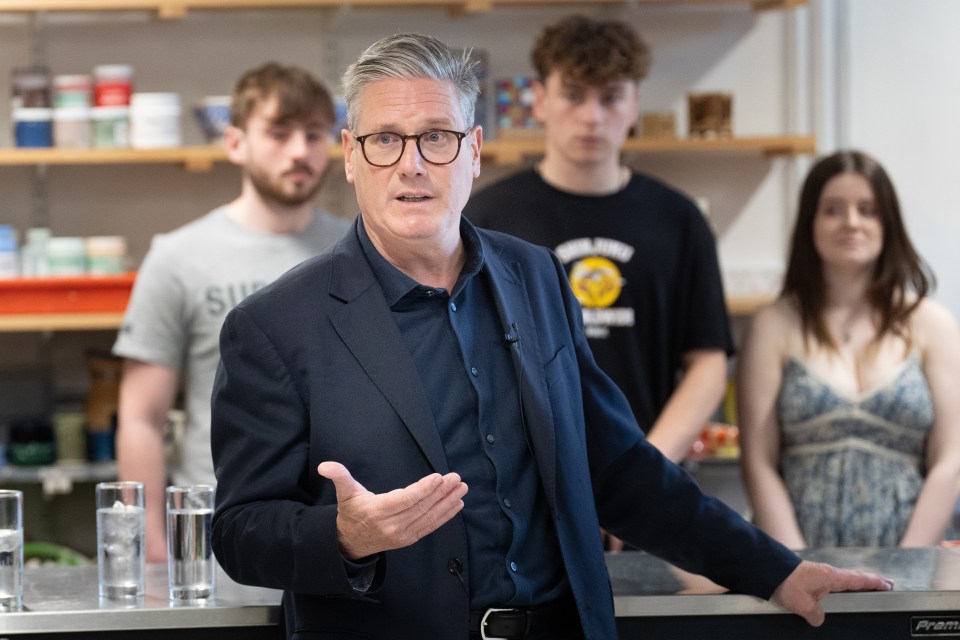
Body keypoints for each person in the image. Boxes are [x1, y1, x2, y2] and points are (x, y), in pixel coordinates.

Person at [210, 34, 891, 640]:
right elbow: (240, 533)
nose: (411, 164)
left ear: (473, 153)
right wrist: (342, 535)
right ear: (352, 158)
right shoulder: (275, 326)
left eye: (437, 137)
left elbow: (619, 468)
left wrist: (775, 571)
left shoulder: (533, 276)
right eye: (384, 140)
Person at [465, 15, 732, 465]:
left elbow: (708, 364)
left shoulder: (679, 219)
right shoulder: (486, 217)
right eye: (573, 95)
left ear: (634, 105)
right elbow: (466, 359)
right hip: (523, 481)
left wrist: (645, 475)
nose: (592, 116)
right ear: (540, 99)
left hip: (648, 473)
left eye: (611, 98)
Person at [112, 62, 351, 561]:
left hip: (339, 536)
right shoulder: (178, 256)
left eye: (314, 135)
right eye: (279, 134)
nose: (299, 152)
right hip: (215, 537)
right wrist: (153, 547)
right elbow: (141, 418)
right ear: (235, 142)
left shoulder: (357, 251)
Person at [738, 149, 960, 549]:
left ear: (888, 223)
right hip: (798, 555)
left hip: (918, 556)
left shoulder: (933, 324)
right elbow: (758, 462)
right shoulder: (773, 324)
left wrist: (910, 565)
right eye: (833, 210)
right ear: (810, 223)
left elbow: (951, 459)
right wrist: (797, 567)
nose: (851, 222)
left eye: (868, 209)